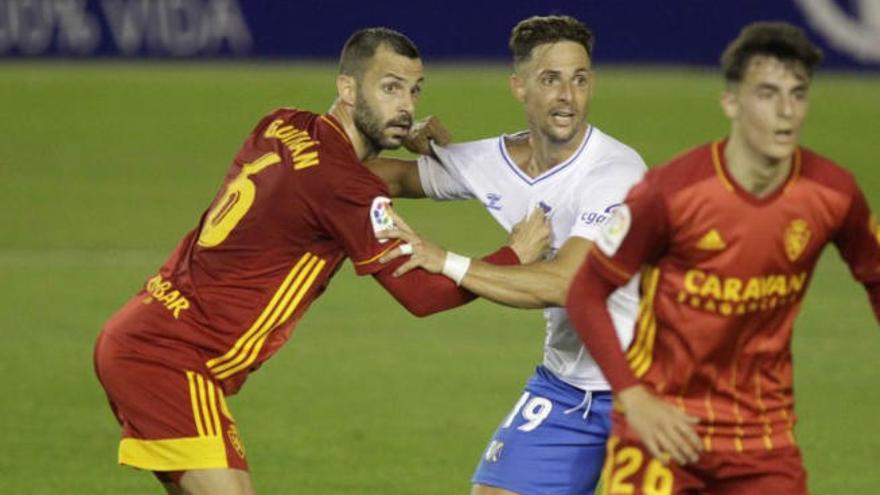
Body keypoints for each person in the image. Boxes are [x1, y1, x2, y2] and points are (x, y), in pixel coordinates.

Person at [93, 27, 550, 495]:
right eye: (389, 88)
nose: (406, 105)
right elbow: (422, 293)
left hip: (141, 330)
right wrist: (514, 256)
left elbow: (356, 180)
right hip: (171, 360)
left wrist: (416, 143)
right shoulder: (342, 187)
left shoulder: (282, 123)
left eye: (413, 91)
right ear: (347, 88)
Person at [565, 21, 880, 494]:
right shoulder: (669, 194)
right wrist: (633, 396)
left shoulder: (832, 195)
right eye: (767, 94)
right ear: (731, 102)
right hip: (661, 426)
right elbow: (586, 291)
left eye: (798, 94)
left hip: (762, 439)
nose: (786, 112)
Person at [369, 15, 647, 495]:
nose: (567, 96)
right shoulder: (490, 163)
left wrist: (447, 261)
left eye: (579, 80)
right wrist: (390, 134)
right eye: (550, 79)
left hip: (649, 387)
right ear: (519, 87)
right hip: (566, 387)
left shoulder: (615, 173)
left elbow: (566, 284)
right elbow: (381, 176)